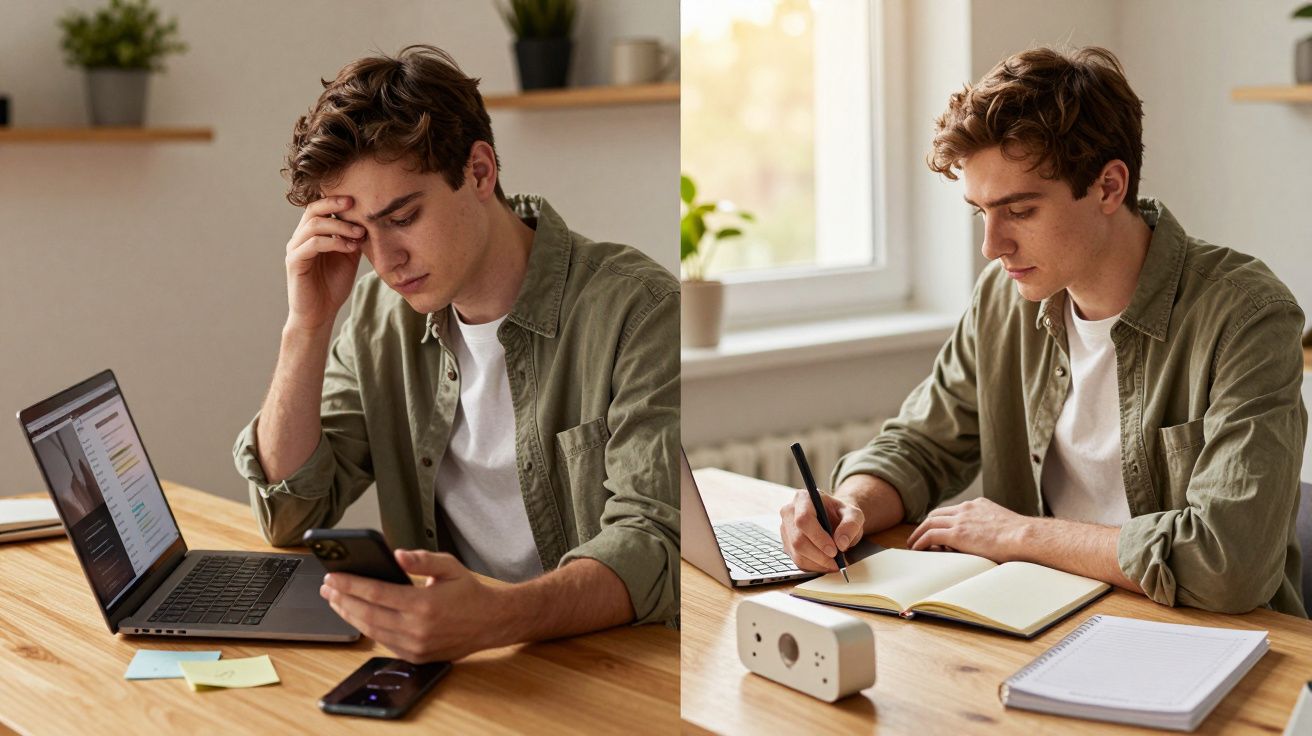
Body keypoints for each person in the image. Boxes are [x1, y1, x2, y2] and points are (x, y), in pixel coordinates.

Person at [780, 46, 1306, 617]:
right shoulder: (1002, 298)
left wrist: (1020, 535)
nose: (992, 246)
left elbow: (1228, 565)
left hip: (1208, 637)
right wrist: (849, 506)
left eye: (1020, 211)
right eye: (981, 211)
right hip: (1039, 615)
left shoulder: (1246, 315)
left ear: (1108, 187)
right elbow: (921, 445)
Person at [233, 45, 680, 661]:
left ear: (479, 171)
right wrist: (306, 327)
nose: (385, 262)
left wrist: (497, 618)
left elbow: (653, 543)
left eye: (403, 217)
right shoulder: (375, 318)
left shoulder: (640, 310)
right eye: (361, 235)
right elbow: (289, 513)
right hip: (456, 660)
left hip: (602, 664)